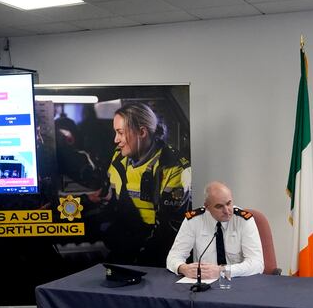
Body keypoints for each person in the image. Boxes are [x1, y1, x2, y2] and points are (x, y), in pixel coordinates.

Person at [99, 102, 191, 266]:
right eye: (115, 133)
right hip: (124, 246)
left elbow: (171, 229)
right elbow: (110, 205)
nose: (116, 140)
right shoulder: (117, 159)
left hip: (157, 256)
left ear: (142, 132)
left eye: (120, 133)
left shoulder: (173, 167)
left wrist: (136, 259)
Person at [166, 181, 264, 279]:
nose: (227, 211)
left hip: (238, 282)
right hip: (205, 284)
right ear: (207, 206)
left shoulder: (244, 220)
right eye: (219, 206)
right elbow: (173, 257)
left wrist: (222, 271)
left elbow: (257, 264)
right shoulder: (194, 220)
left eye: (229, 203)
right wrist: (183, 268)